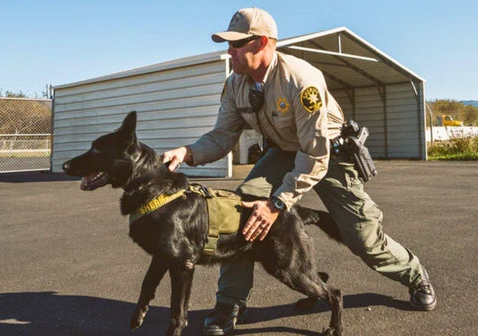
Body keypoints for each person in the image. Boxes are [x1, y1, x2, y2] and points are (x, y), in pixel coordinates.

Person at [161, 7, 436, 335]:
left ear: (261, 43)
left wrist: (277, 204)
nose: (228, 51)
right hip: (283, 153)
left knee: (363, 238)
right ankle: (229, 303)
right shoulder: (235, 84)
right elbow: (221, 137)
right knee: (241, 209)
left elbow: (314, 155)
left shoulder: (301, 80)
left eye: (236, 44)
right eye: (228, 44)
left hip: (327, 154)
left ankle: (415, 275)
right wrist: (188, 152)